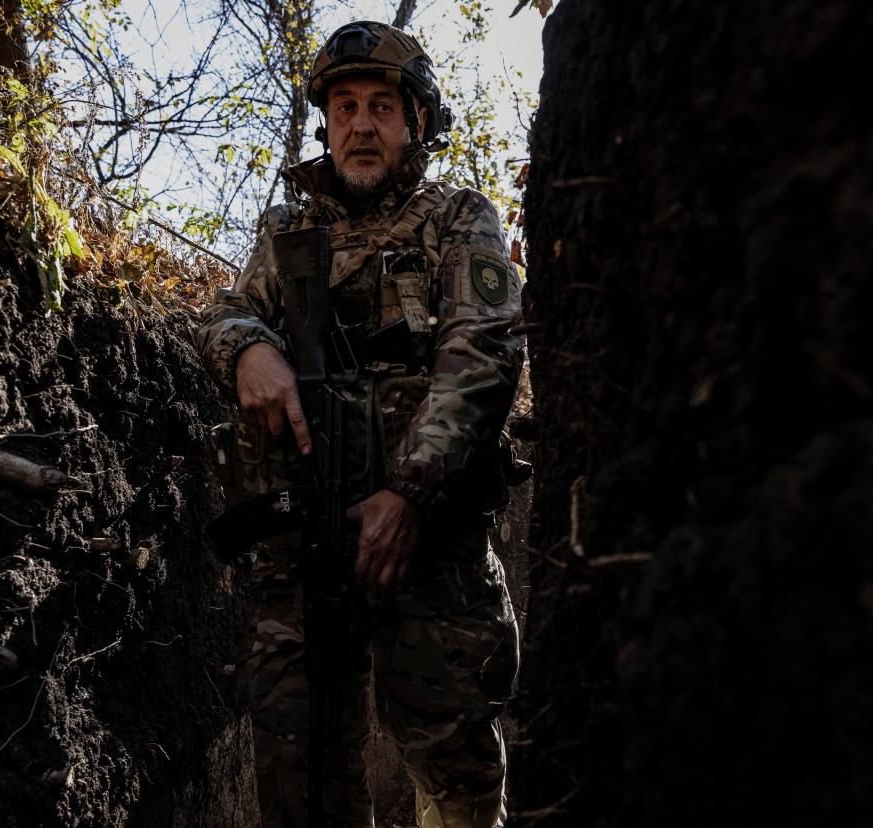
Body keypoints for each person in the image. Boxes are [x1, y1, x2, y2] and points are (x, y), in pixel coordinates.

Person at [197, 20, 523, 828]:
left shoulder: (457, 218)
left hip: (429, 538)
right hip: (306, 546)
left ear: (415, 121)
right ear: (326, 123)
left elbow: (481, 351)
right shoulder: (287, 236)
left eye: (381, 106)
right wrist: (248, 352)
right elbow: (224, 315)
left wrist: (408, 493)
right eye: (344, 107)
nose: (360, 124)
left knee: (453, 764)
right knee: (299, 766)